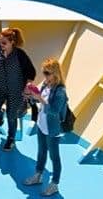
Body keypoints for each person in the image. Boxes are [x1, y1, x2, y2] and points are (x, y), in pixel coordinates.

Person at [0, 27, 36, 151]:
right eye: (0, 41)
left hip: (16, 90)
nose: (1, 44)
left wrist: (27, 86)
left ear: (12, 42)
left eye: (4, 42)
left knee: (12, 116)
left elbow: (31, 72)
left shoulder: (20, 55)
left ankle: (11, 139)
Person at [23, 58, 68, 196]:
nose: (45, 76)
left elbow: (54, 110)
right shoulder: (45, 84)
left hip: (53, 129)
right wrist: (30, 95)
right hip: (42, 125)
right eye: (44, 72)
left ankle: (54, 184)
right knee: (41, 152)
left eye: (47, 73)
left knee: (54, 157)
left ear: (55, 73)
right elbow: (39, 102)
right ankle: (38, 175)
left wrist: (40, 98)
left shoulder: (60, 91)